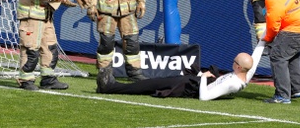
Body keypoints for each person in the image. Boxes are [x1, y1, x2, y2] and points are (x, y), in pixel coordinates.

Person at [96, 40, 265, 101]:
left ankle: (109, 87)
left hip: (189, 87)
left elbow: (204, 97)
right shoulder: (244, 75)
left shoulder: (232, 83)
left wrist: (204, 77)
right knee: (150, 84)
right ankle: (111, 86)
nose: (232, 62)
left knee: (149, 84)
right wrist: (264, 40)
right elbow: (254, 59)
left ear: (239, 67)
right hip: (194, 82)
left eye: (234, 61)